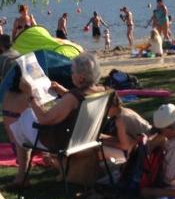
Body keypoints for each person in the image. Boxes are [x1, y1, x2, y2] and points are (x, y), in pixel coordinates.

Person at [6, 51, 107, 189]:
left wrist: (31, 95)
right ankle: (28, 173)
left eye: (73, 72)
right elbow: (81, 100)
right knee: (25, 122)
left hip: (63, 141)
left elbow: (44, 119)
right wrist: (62, 91)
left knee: (21, 121)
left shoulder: (73, 98)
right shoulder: (102, 91)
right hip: (87, 139)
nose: (71, 75)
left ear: (81, 77)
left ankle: (22, 176)